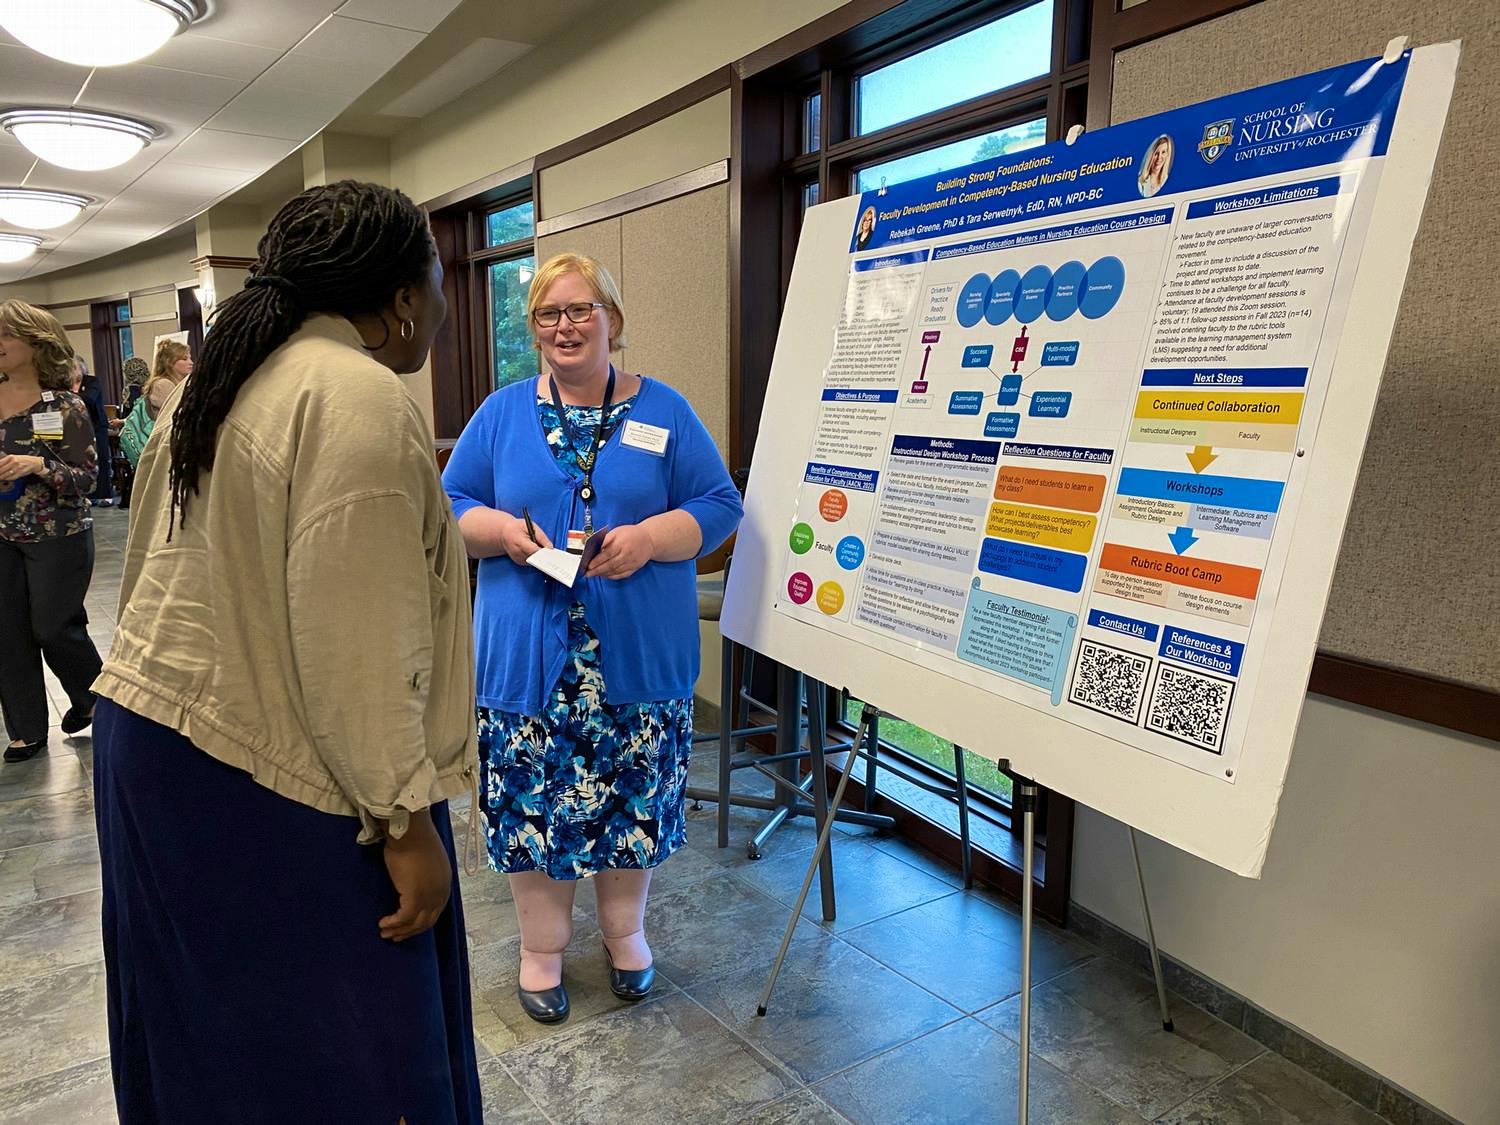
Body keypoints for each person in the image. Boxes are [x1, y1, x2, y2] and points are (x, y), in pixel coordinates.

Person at [90, 180, 482, 1122]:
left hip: (154, 745)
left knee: (202, 1041)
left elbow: (150, 570)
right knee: (345, 1058)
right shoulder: (357, 396)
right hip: (263, 771)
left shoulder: (215, 386)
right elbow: (360, 645)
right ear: (400, 301)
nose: (439, 302)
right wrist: (407, 824)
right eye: (436, 280)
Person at [443, 252, 742, 1024]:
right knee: (534, 807)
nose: (565, 326)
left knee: (630, 800)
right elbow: (452, 502)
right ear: (535, 328)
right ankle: (540, 948)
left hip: (635, 661)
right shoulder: (503, 412)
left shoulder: (665, 410)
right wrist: (504, 531)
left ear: (613, 318)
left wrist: (648, 538)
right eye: (548, 313)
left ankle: (625, 933)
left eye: (581, 310)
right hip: (529, 664)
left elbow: (719, 503)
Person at [0, 300, 102, 762]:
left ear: (35, 342)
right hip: (1, 536)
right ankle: (26, 730)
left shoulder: (65, 407)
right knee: (8, 632)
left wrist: (39, 464)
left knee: (53, 627)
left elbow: (87, 480)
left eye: (6, 335)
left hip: (57, 535)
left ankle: (92, 699)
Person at [72, 356, 115, 506]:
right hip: (78, 426)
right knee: (82, 460)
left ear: (82, 368)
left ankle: (105, 494)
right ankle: (87, 494)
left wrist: (71, 396)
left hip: (97, 425)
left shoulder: (92, 381)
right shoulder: (67, 383)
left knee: (101, 458)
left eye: (74, 367)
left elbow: (89, 398)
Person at [144, 338, 192, 419]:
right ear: (170, 362)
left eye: (190, 358)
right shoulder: (163, 384)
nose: (191, 362)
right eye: (184, 359)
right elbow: (179, 413)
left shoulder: (181, 383)